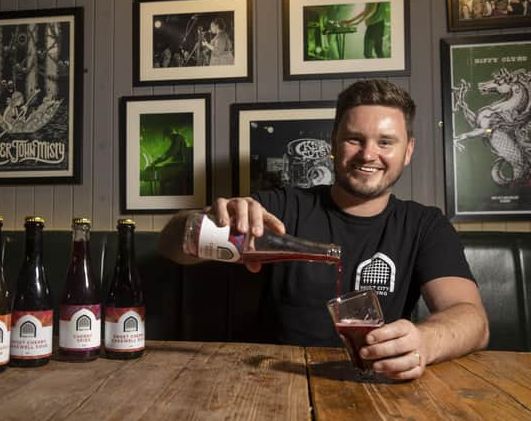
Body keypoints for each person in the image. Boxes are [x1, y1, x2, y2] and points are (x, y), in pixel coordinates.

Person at [158, 80, 489, 380]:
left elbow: (473, 320)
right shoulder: (281, 208)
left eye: (385, 142)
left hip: (375, 383)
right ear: (334, 142)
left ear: (409, 151)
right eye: (354, 140)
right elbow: (169, 244)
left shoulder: (425, 225)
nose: (368, 154)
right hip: (273, 379)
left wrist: (426, 341)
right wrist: (204, 222)